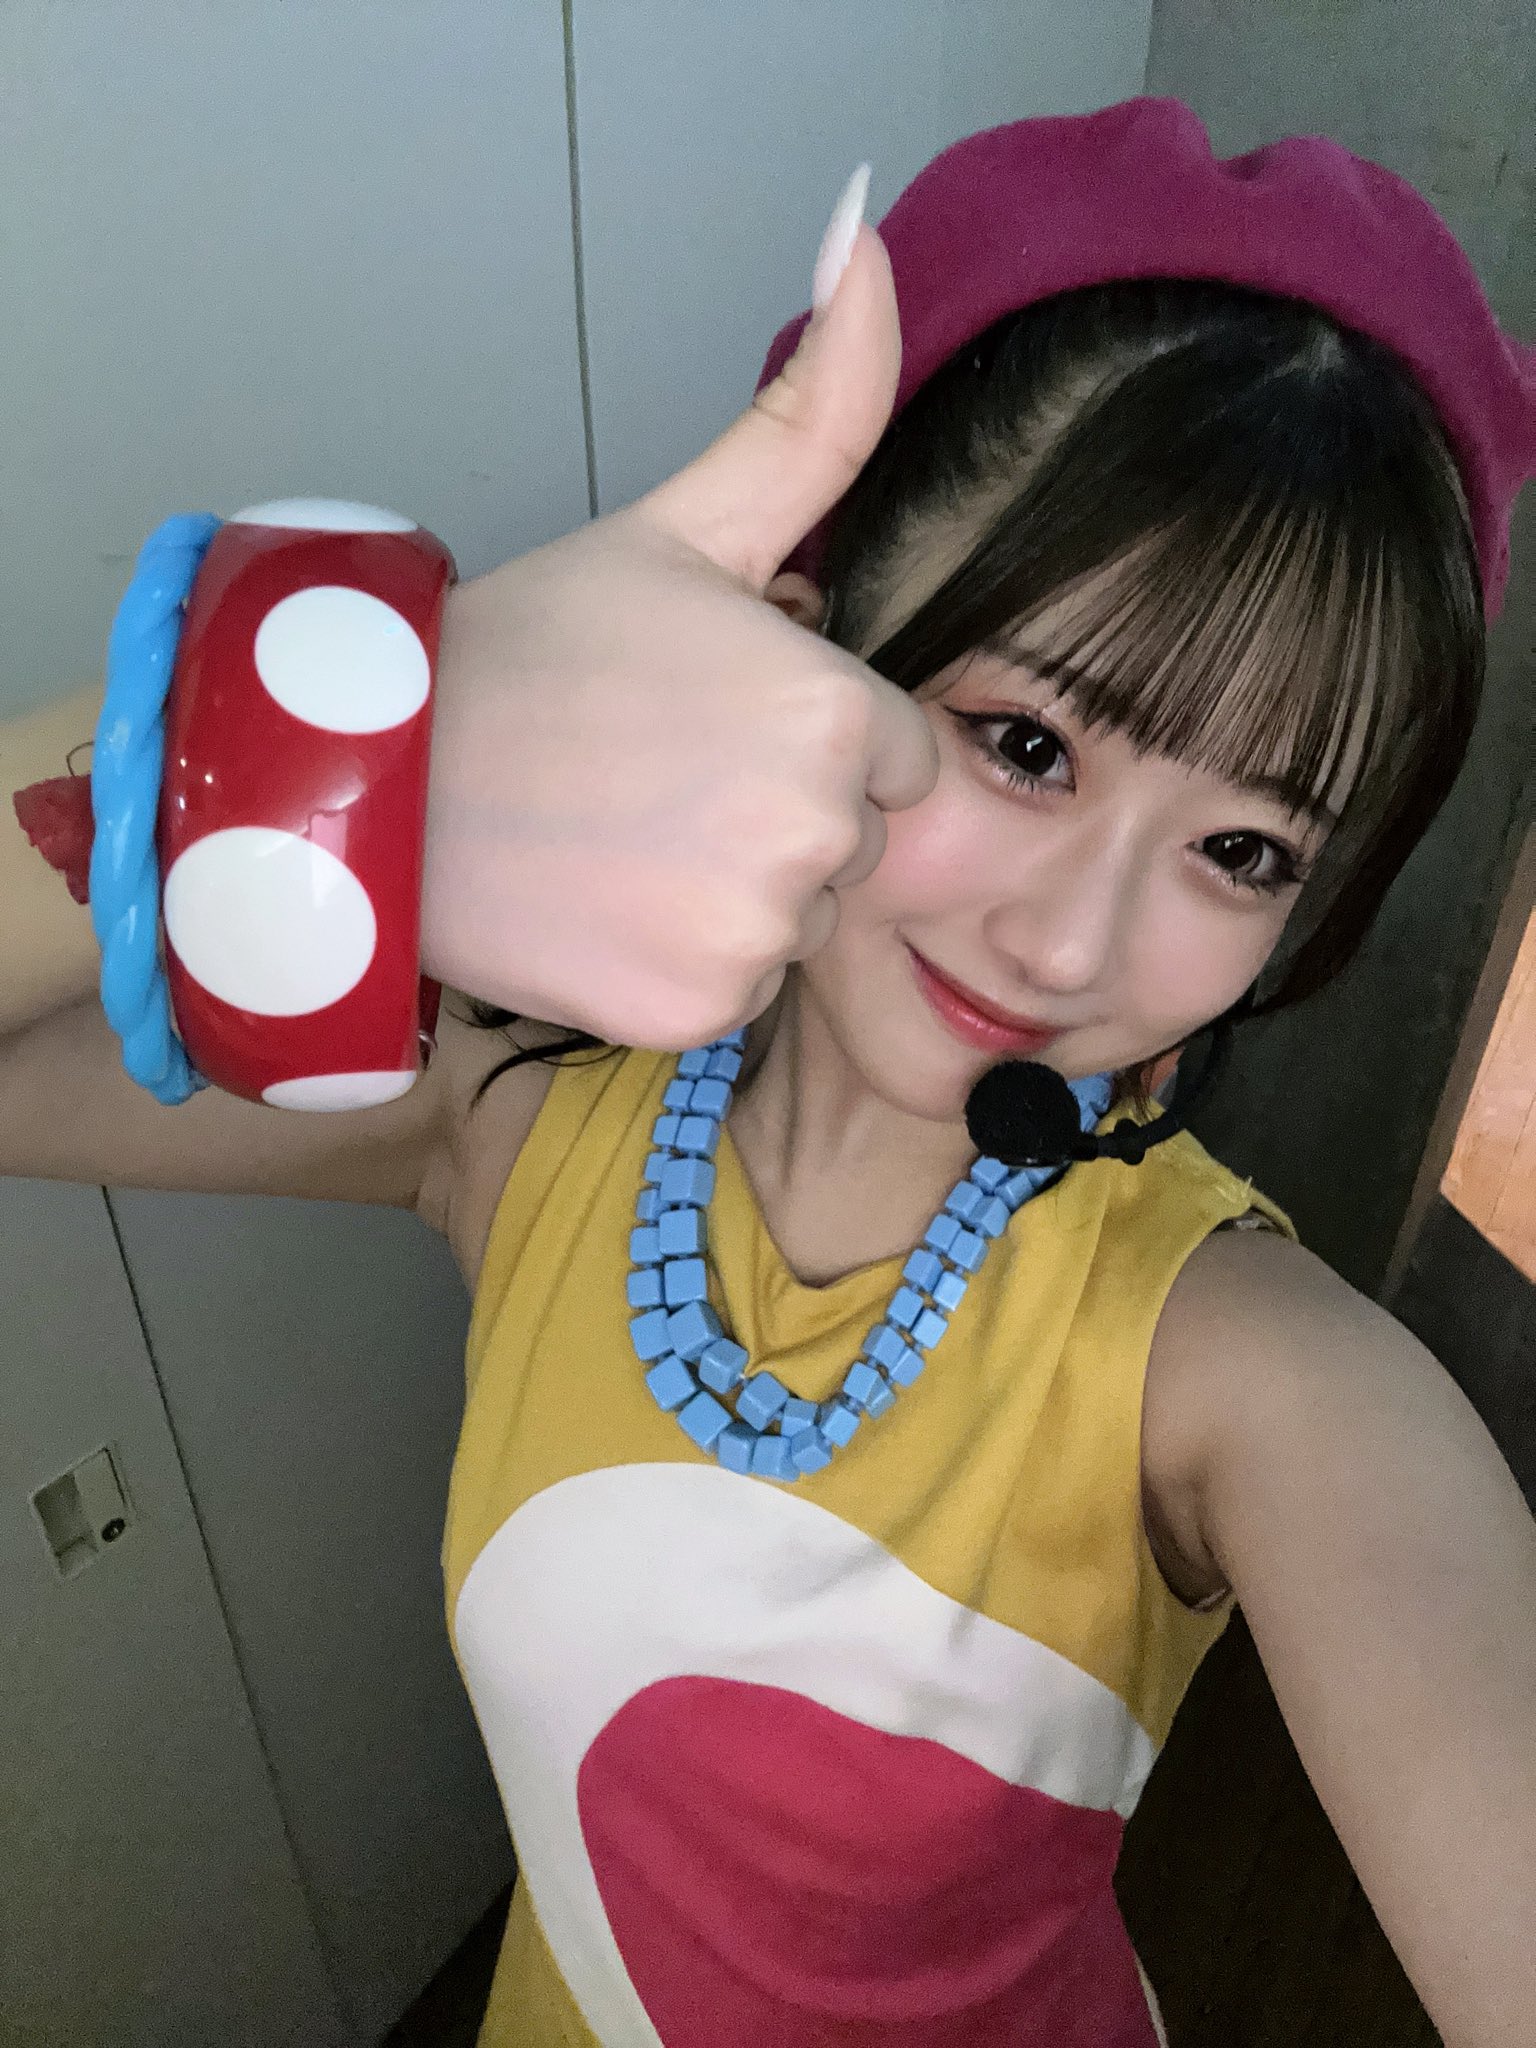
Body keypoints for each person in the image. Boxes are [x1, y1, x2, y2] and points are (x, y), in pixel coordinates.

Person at [5, 98, 1536, 2048]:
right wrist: (396, 704)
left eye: (1243, 851)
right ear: (811, 649)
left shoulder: (1243, 1372)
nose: (1073, 947)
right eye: (1028, 744)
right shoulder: (516, 1124)